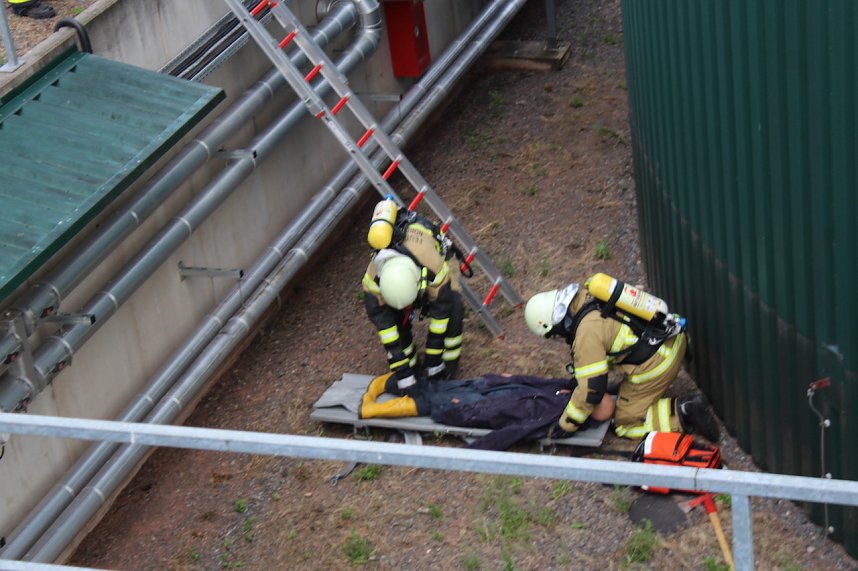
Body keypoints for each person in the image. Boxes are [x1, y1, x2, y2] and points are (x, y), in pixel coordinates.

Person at [523, 279, 720, 442]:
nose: (559, 338)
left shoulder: (586, 334)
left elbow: (593, 389)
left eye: (553, 334)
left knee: (625, 424)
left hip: (659, 364)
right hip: (674, 338)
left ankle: (684, 411)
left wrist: (567, 424)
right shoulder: (591, 296)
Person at [358, 372, 616, 451]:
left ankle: (372, 411)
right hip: (491, 389)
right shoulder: (566, 389)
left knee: (435, 402)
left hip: (482, 409)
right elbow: (537, 381)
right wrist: (507, 377)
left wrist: (473, 452)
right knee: (439, 385)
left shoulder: (558, 418)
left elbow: (517, 431)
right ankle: (389, 384)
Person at [362, 205, 464, 397]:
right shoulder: (372, 283)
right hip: (408, 275)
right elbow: (387, 332)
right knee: (394, 321)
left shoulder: (433, 266)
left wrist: (434, 363)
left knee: (454, 309)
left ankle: (449, 366)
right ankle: (412, 364)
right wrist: (404, 376)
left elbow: (440, 315)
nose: (410, 308)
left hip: (436, 255)